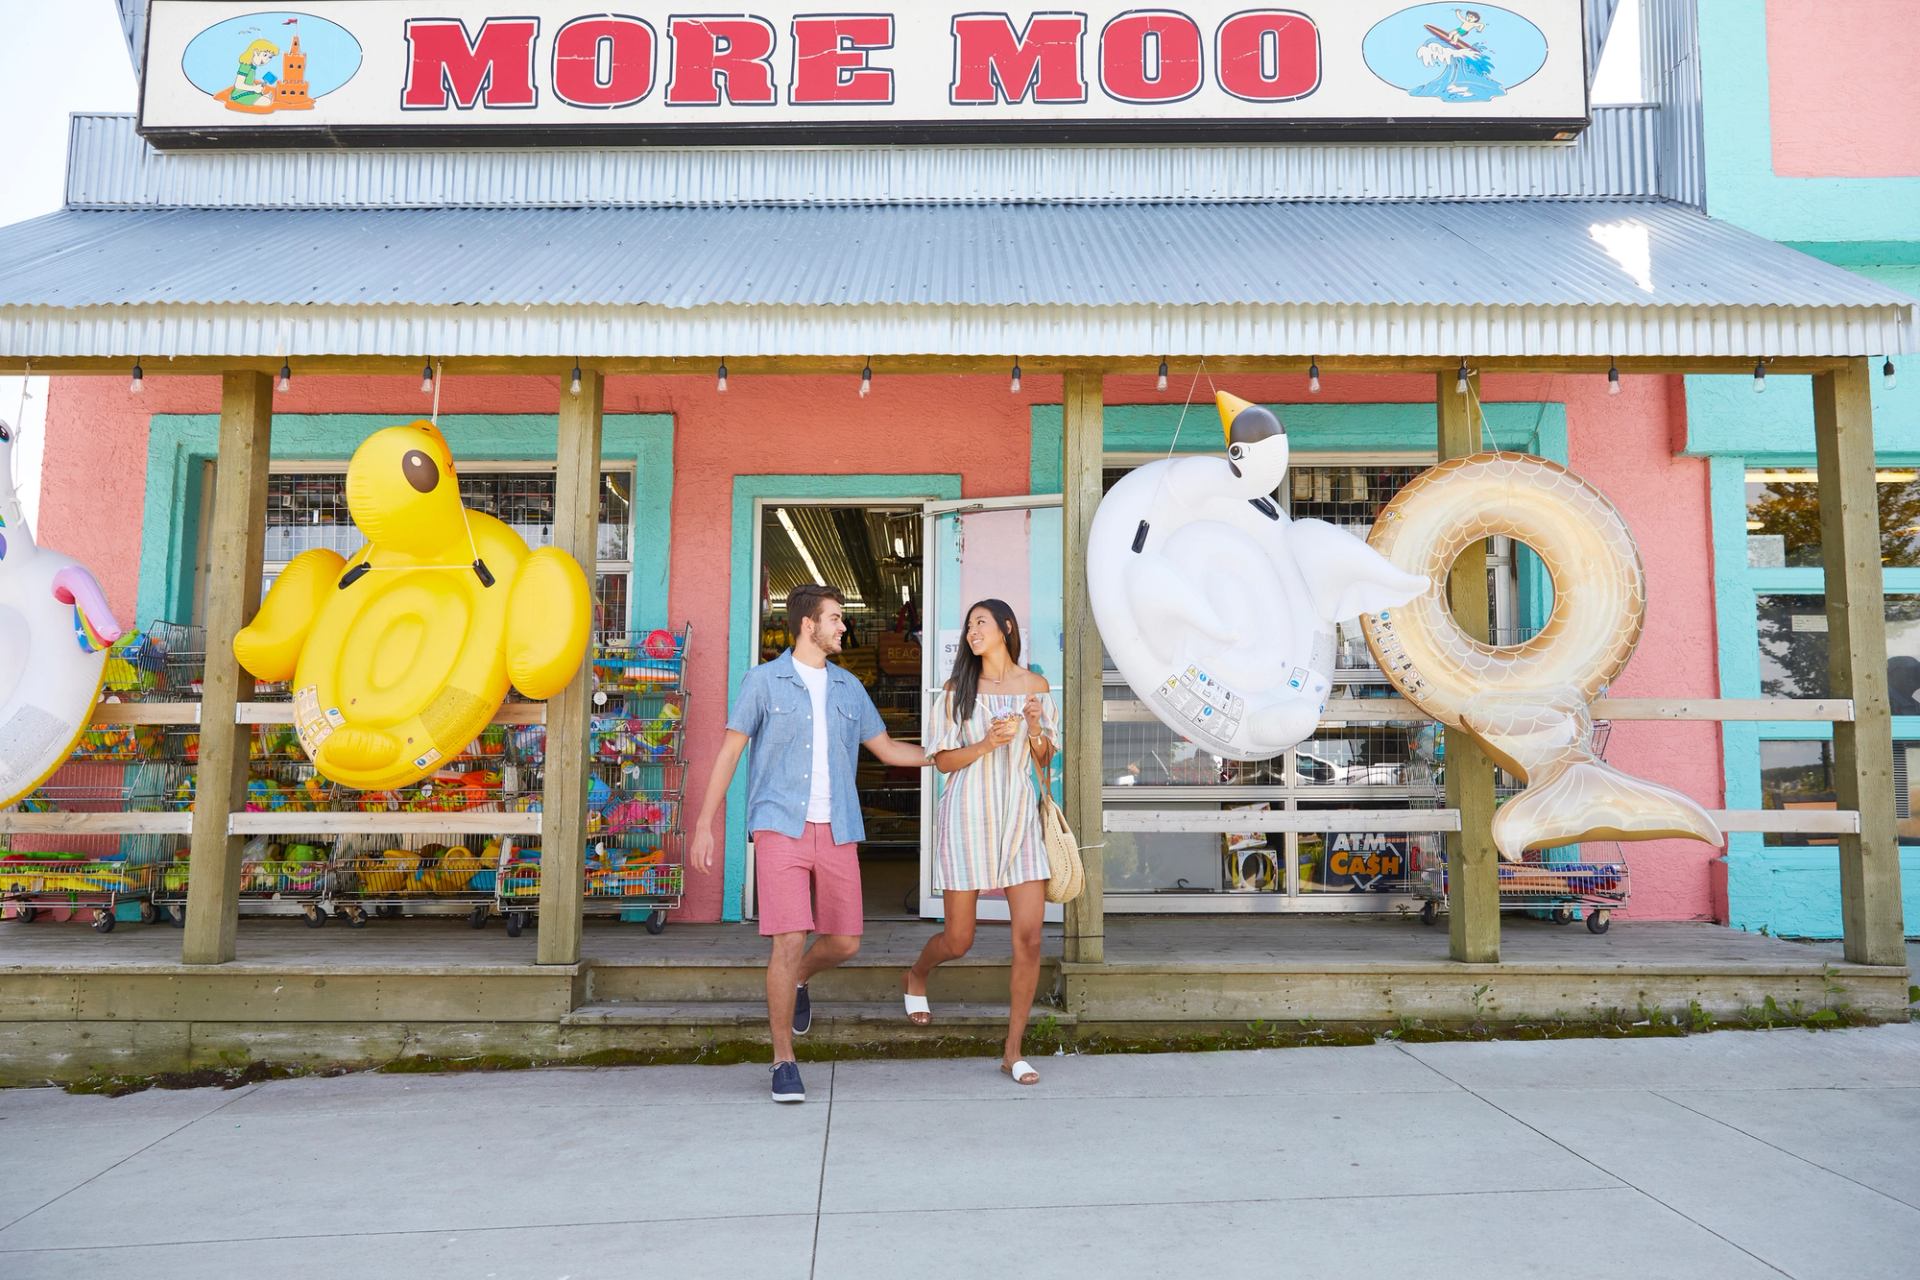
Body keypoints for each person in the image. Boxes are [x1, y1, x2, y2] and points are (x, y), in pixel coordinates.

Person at [689, 583, 931, 1104]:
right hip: (780, 826)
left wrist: (945, 754)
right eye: (837, 618)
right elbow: (731, 753)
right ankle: (783, 1060)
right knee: (790, 937)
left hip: (838, 826)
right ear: (809, 624)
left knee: (845, 942)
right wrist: (705, 823)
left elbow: (887, 750)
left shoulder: (848, 688)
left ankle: (795, 980)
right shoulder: (763, 681)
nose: (844, 627)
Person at [903, 599, 1058, 1086]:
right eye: (969, 625)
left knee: (1029, 939)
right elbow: (942, 762)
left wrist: (1034, 727)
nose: (973, 631)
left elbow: (1045, 760)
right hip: (968, 816)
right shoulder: (957, 691)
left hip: (1017, 816)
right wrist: (988, 743)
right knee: (959, 939)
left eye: (981, 623)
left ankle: (1013, 1052)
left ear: (1007, 628)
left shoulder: (1035, 688)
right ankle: (918, 975)